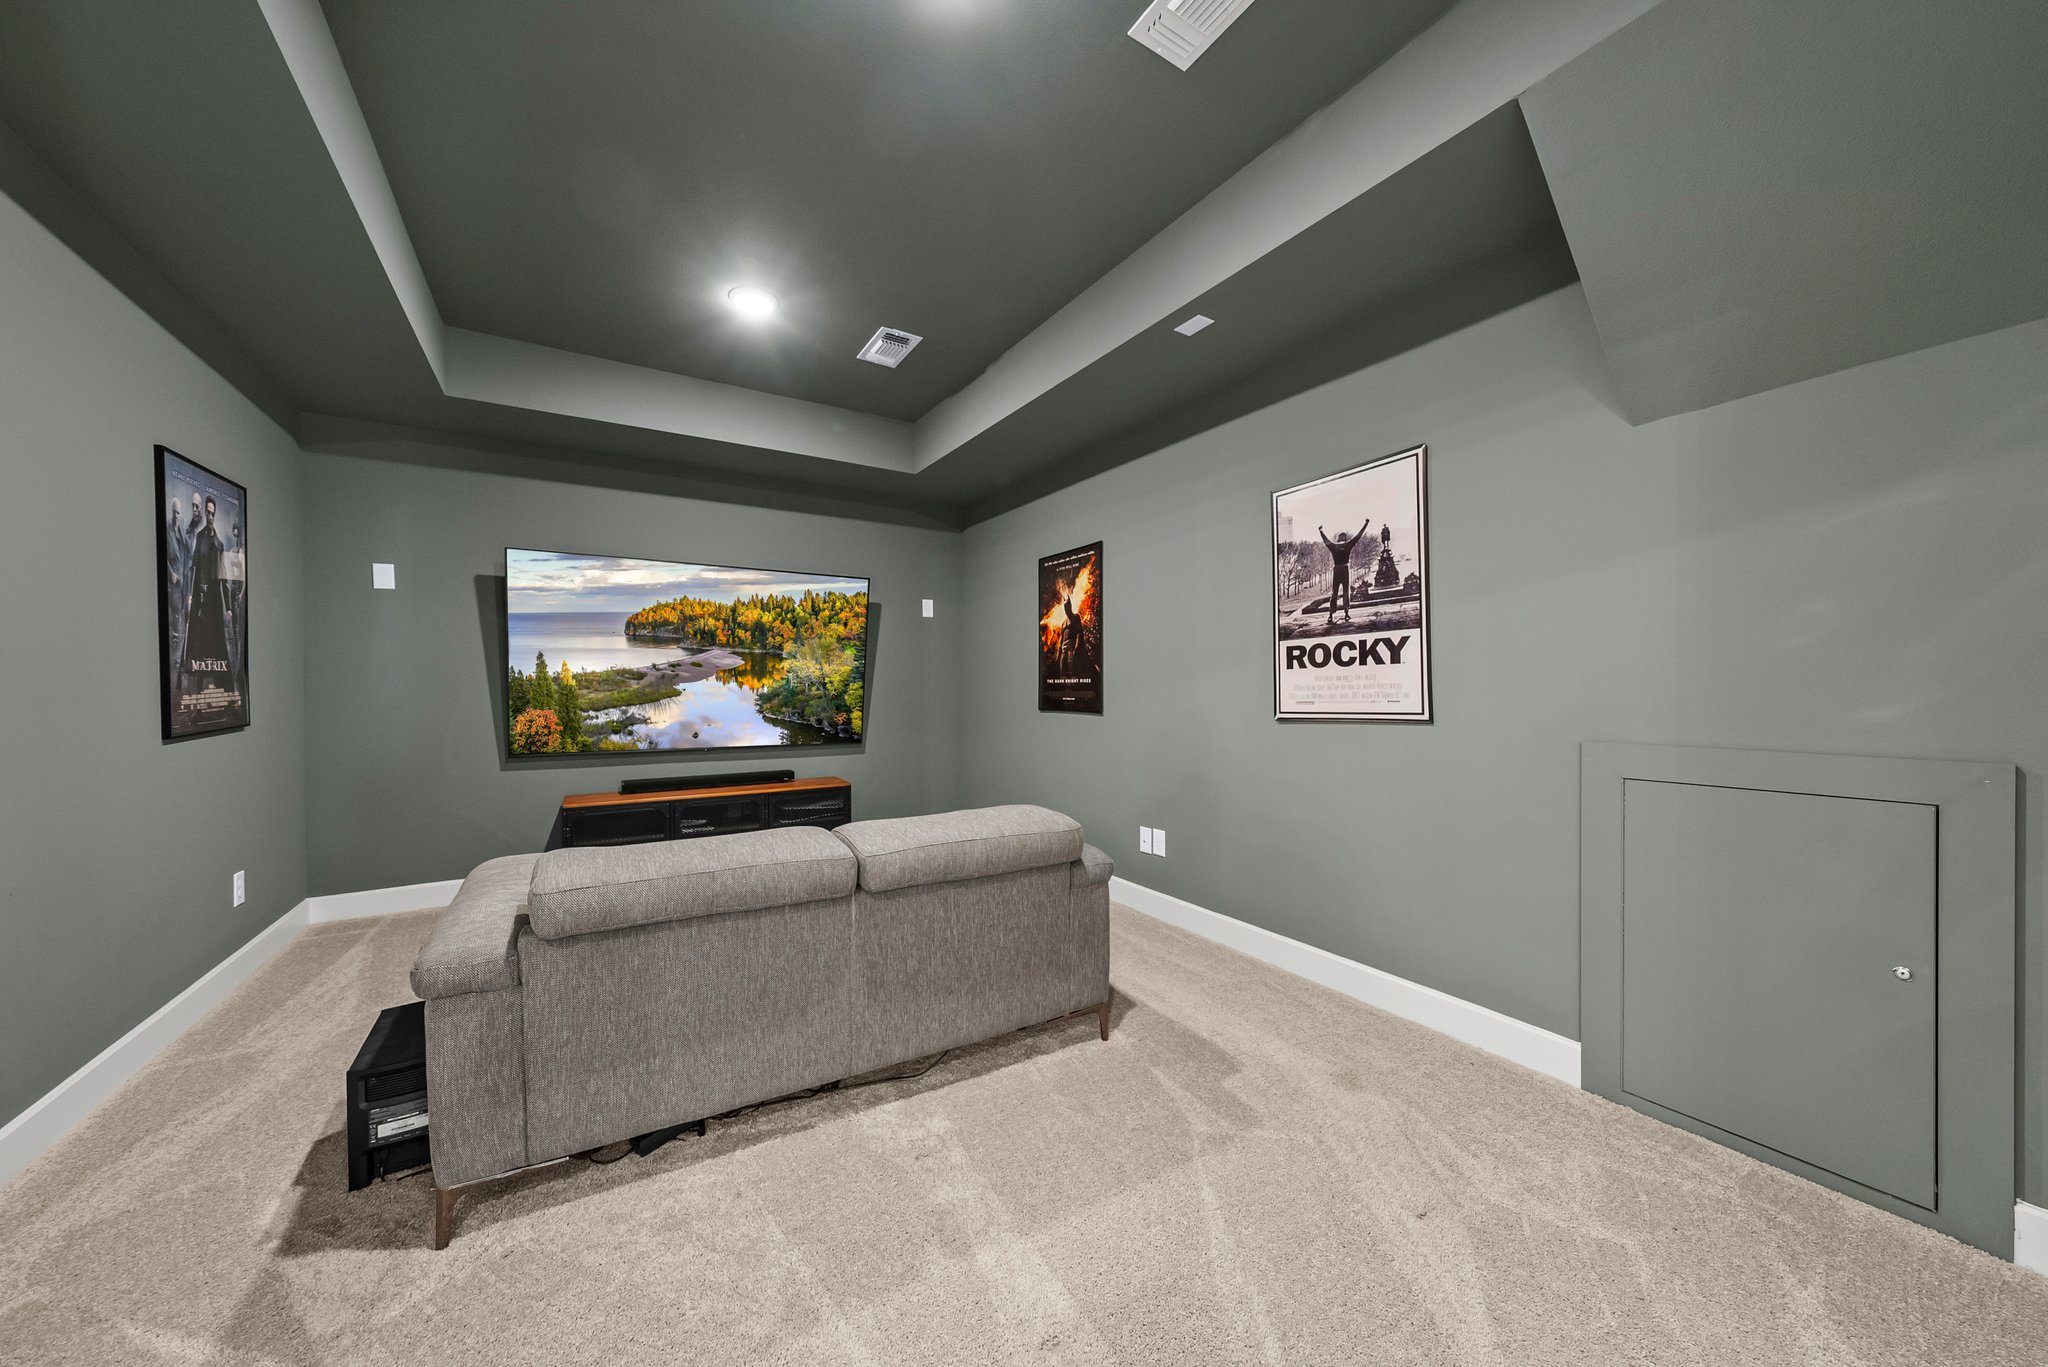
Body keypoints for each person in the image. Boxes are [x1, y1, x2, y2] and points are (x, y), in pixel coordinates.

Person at [182, 495, 233, 685]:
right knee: (199, 648)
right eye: (208, 512)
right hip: (199, 600)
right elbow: (192, 567)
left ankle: (224, 696)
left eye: (213, 513)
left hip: (214, 604)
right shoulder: (199, 537)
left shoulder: (219, 544)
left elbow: (225, 577)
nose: (210, 516)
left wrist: (228, 607)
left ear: (215, 515)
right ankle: (198, 702)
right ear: (205, 512)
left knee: (216, 648)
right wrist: (188, 595)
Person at [1317, 519, 1370, 625]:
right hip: (1345, 569)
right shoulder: (1347, 545)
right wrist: (1366, 524)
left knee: (1334, 593)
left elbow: (1325, 540)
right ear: (1345, 539)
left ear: (1338, 538)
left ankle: (1330, 615)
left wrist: (1321, 531)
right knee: (1346, 592)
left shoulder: (1334, 546)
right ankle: (1346, 613)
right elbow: (1358, 536)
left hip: (1337, 569)